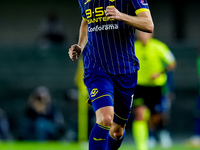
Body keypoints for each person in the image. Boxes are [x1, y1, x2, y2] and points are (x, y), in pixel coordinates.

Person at [68, 0, 154, 149]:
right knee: (105, 119)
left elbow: (148, 24)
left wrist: (121, 16)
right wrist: (80, 46)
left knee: (117, 131)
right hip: (96, 69)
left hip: (125, 70)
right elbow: (86, 21)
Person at [132, 30, 176, 150]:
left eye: (144, 33)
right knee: (140, 113)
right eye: (140, 33)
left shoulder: (159, 46)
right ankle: (143, 143)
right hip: (140, 86)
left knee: (155, 115)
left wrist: (159, 73)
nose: (142, 35)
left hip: (156, 86)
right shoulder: (133, 47)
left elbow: (172, 63)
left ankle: (159, 133)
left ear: (151, 34)